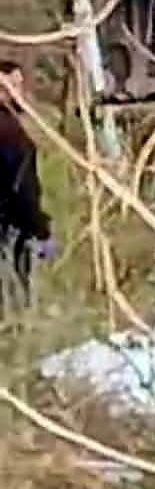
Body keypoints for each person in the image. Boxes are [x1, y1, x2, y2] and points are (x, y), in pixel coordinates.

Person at [0, 60, 55, 310]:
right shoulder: (9, 132)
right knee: (15, 300)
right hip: (11, 228)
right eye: (12, 85)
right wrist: (40, 229)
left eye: (19, 85)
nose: (17, 92)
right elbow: (23, 189)